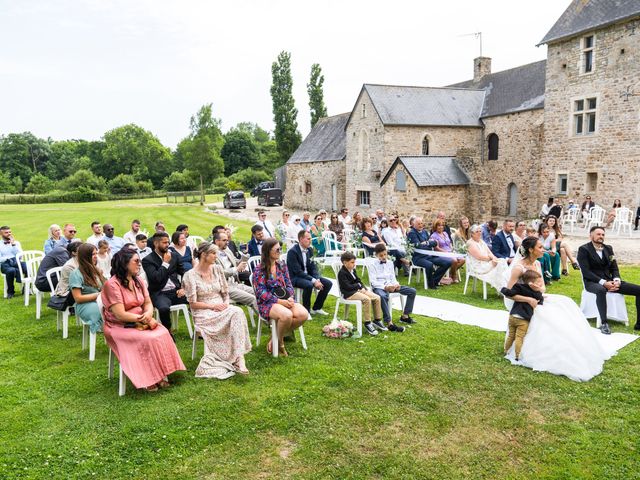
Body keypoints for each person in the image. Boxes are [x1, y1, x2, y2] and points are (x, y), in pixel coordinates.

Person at [503, 236, 611, 381]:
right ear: (530, 249)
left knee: (566, 303)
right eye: (540, 247)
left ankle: (575, 347)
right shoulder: (518, 268)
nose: (544, 250)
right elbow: (508, 293)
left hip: (538, 298)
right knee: (549, 316)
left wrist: (538, 289)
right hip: (523, 303)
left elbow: (542, 286)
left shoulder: (538, 264)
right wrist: (528, 298)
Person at [102, 247, 185, 392]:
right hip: (119, 326)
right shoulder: (112, 284)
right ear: (124, 263)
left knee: (163, 333)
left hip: (141, 320)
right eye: (136, 261)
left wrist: (148, 314)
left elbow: (148, 302)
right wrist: (146, 319)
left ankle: (162, 373)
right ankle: (149, 378)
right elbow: (120, 314)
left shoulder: (138, 280)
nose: (139, 264)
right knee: (146, 339)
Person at [183, 242, 252, 378]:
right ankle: (237, 359)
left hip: (221, 307)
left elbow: (225, 293)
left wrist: (225, 304)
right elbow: (193, 304)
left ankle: (239, 358)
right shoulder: (190, 275)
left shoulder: (217, 269)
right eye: (213, 253)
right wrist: (212, 306)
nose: (216, 256)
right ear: (204, 255)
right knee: (236, 312)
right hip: (203, 312)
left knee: (236, 311)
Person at [577, 226, 640, 334]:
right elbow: (586, 272)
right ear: (591, 235)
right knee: (601, 290)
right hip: (593, 282)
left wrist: (616, 280)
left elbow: (614, 267)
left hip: (610, 281)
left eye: (603, 234)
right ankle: (604, 323)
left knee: (638, 289)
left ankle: (639, 324)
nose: (601, 236)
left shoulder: (608, 248)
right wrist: (603, 283)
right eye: (598, 234)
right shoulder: (584, 249)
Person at [252, 238, 308, 356]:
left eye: (280, 249)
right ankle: (280, 343)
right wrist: (279, 302)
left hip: (285, 299)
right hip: (267, 303)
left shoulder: (282, 265)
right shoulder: (259, 270)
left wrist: (290, 297)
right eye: (277, 249)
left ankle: (275, 338)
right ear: (268, 251)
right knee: (286, 315)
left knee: (303, 315)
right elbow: (261, 293)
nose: (279, 251)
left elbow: (288, 283)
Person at [142, 232, 187, 332]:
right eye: (164, 242)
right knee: (163, 309)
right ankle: (168, 332)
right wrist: (165, 263)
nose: (167, 245)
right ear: (156, 243)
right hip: (159, 293)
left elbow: (184, 273)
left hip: (176, 291)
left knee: (196, 298)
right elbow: (156, 278)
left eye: (168, 242)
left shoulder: (174, 256)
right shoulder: (147, 260)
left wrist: (183, 288)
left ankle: (202, 328)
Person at [369, 244, 417, 331]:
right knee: (383, 296)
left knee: (412, 291)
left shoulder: (390, 263)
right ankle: (389, 323)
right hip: (379, 287)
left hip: (391, 286)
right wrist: (386, 287)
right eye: (381, 255)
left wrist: (396, 284)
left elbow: (393, 278)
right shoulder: (372, 265)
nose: (384, 257)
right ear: (376, 255)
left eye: (385, 254)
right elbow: (373, 282)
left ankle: (405, 316)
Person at [500, 269, 545, 362]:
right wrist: (538, 291)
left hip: (513, 316)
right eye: (538, 282)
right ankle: (517, 355)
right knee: (519, 337)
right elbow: (540, 302)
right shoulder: (536, 294)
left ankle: (506, 350)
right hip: (523, 320)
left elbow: (509, 293)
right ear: (531, 283)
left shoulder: (519, 287)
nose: (540, 284)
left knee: (511, 336)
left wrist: (503, 289)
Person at [337, 251, 383, 336]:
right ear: (345, 263)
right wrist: (358, 287)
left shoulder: (352, 270)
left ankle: (377, 320)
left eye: (354, 262)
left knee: (377, 297)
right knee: (366, 299)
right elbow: (347, 286)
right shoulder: (342, 273)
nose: (354, 264)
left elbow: (359, 281)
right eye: (352, 262)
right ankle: (367, 322)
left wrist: (363, 288)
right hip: (349, 294)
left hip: (357, 290)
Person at [287, 230, 332, 316]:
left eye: (310, 238)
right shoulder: (292, 252)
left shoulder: (310, 250)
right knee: (309, 285)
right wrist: (313, 281)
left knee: (328, 283)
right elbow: (298, 271)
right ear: (301, 239)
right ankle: (306, 311)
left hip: (308, 275)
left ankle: (316, 308)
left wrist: (317, 278)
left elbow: (313, 267)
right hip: (296, 277)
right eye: (308, 239)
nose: (310, 240)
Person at [214, 231, 257, 311]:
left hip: (235, 283)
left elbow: (236, 262)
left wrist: (244, 255)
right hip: (225, 287)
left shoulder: (227, 250)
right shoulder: (212, 255)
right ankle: (268, 320)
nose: (227, 242)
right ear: (217, 241)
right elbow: (219, 273)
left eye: (227, 240)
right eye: (224, 240)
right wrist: (236, 269)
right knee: (253, 299)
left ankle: (274, 314)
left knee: (259, 292)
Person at [69, 243, 106, 334]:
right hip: (85, 304)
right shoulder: (76, 274)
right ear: (85, 256)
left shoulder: (97, 270)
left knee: (117, 308)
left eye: (96, 254)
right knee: (101, 311)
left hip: (100, 300)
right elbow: (78, 298)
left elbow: (105, 287)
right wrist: (99, 295)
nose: (96, 256)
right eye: (93, 254)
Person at [407, 217, 453, 289]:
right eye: (418, 224)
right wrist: (429, 243)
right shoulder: (412, 233)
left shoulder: (425, 232)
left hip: (429, 255)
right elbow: (418, 246)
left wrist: (426, 243)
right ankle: (431, 285)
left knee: (448, 262)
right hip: (418, 257)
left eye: (421, 223)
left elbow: (434, 243)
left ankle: (434, 280)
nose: (421, 225)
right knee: (429, 265)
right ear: (414, 225)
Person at [466, 224, 510, 291]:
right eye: (477, 232)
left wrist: (494, 258)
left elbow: (490, 252)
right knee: (500, 264)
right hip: (478, 266)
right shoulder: (470, 243)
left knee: (502, 261)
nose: (479, 233)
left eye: (480, 231)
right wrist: (491, 259)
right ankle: (503, 288)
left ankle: (505, 286)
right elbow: (479, 257)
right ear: (472, 234)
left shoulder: (481, 241)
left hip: (486, 262)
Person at [430, 219, 465, 283]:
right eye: (439, 225)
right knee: (454, 260)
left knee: (462, 260)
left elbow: (449, 243)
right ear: (435, 227)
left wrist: (452, 249)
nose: (441, 227)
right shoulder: (433, 236)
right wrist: (445, 252)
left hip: (450, 252)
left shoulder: (445, 233)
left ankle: (450, 273)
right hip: (441, 253)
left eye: (442, 225)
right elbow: (436, 248)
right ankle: (454, 276)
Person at [54, 241, 81, 308]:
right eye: (80, 250)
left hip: (78, 288)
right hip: (67, 293)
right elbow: (77, 283)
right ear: (74, 253)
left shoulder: (83, 261)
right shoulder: (69, 266)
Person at [0, 226, 26, 299]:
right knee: (11, 270)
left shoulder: (16, 243)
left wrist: (13, 244)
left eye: (10, 232)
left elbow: (20, 255)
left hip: (17, 261)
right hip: (5, 263)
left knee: (27, 267)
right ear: (1, 234)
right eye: (6, 232)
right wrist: (8, 258)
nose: (9, 234)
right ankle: (10, 291)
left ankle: (26, 288)